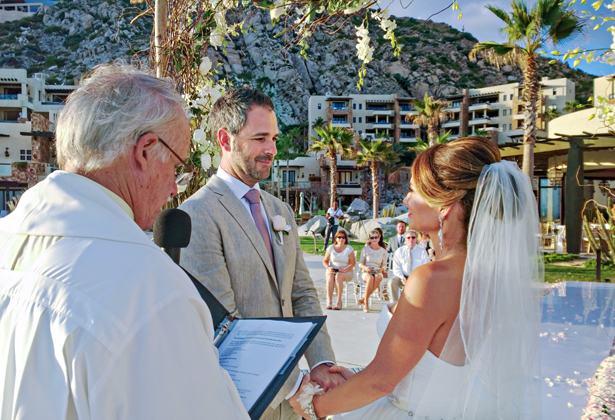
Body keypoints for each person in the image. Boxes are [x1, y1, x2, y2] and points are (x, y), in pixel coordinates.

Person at [0, 65, 249, 419]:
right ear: (146, 150)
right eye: (176, 166)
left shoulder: (7, 241)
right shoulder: (148, 289)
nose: (175, 187)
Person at [290, 137, 543, 419]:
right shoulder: (487, 278)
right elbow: (431, 368)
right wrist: (358, 383)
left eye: (413, 190)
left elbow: (381, 380)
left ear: (444, 206)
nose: (405, 199)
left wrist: (313, 408)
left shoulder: (433, 280)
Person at [178, 86, 342, 420]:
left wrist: (323, 363)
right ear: (225, 140)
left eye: (275, 139)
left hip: (293, 402)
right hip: (241, 402)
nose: (271, 149)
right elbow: (223, 323)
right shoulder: (198, 213)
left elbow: (302, 293)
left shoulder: (280, 209)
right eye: (260, 138)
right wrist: (296, 386)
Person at [388, 230, 431, 302]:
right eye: (408, 238)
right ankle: (394, 305)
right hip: (402, 277)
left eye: (413, 237)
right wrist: (401, 277)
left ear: (416, 239)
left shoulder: (422, 251)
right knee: (392, 282)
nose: (411, 239)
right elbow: (396, 268)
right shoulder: (399, 251)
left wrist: (415, 278)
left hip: (417, 278)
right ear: (405, 239)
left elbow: (425, 267)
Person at [323, 230, 356, 310]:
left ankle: (339, 301)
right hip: (332, 269)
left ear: (345, 239)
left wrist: (344, 270)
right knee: (330, 277)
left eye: (343, 237)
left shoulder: (349, 249)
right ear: (336, 238)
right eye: (339, 237)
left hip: (346, 270)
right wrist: (328, 267)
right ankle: (329, 300)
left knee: (338, 277)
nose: (341, 239)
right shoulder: (331, 248)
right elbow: (325, 261)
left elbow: (353, 263)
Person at [357, 229, 388, 313]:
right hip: (366, 271)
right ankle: (366, 303)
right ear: (369, 239)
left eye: (376, 237)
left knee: (377, 277)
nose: (374, 239)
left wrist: (381, 269)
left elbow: (384, 265)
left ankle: (364, 299)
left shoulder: (383, 251)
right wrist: (366, 268)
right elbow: (360, 264)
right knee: (370, 278)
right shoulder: (365, 249)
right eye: (372, 238)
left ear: (379, 237)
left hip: (378, 271)